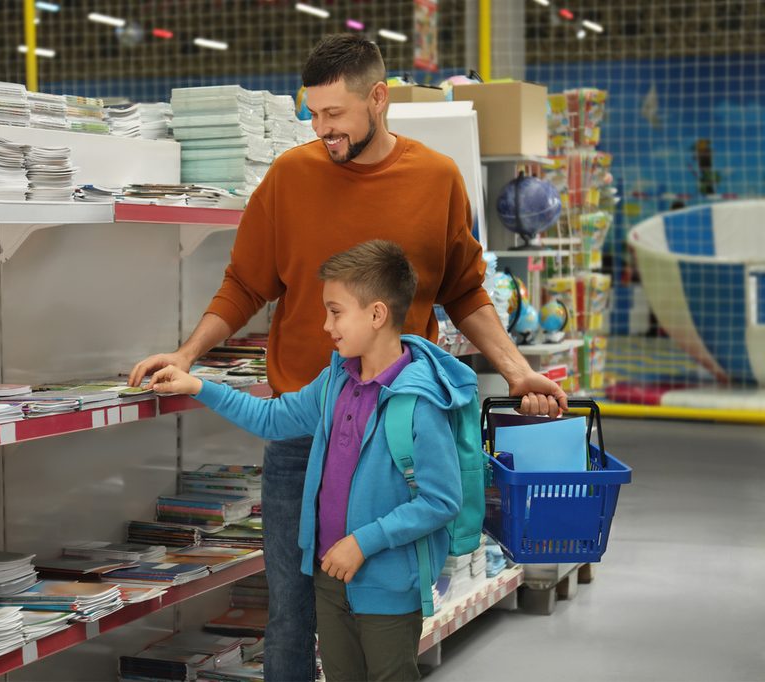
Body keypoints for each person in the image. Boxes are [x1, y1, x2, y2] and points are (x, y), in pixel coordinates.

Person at [129, 34, 567, 681]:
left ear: (378, 98)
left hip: (395, 441)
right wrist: (188, 353)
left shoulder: (436, 179)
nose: (320, 128)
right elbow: (246, 283)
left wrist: (516, 369)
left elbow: (466, 290)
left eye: (334, 113)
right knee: (291, 611)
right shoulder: (289, 177)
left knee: (380, 611)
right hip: (302, 431)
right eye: (312, 113)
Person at [148, 241, 472, 682]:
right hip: (329, 577)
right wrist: (199, 386)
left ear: (377, 314)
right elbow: (272, 418)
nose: (326, 325)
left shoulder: (421, 401)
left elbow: (440, 500)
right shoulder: (335, 380)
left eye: (335, 312)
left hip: (389, 585)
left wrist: (363, 543)